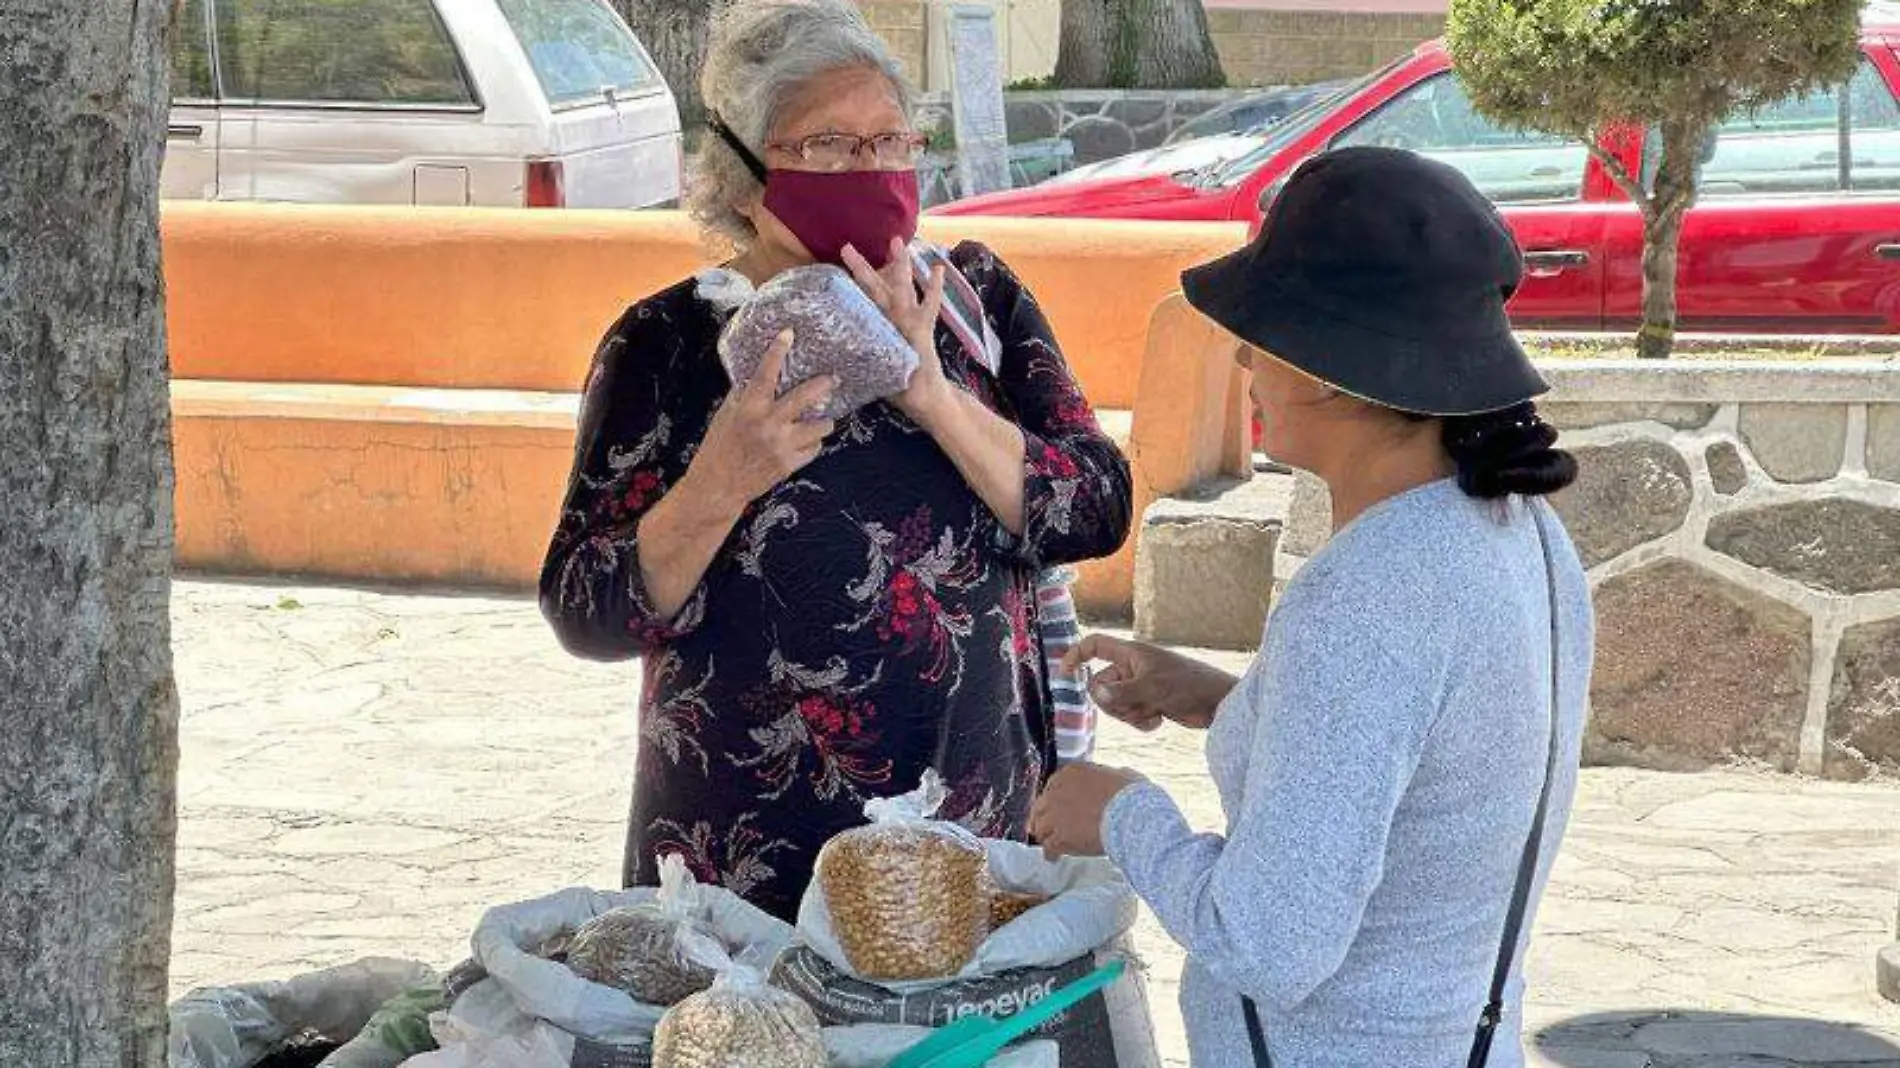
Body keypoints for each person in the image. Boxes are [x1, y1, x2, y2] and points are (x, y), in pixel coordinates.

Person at [539, 0, 1132, 922]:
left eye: (890, 140)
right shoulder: (667, 344)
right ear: (742, 178)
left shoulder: (976, 304)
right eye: (826, 145)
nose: (869, 168)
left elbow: (1095, 508)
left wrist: (931, 391)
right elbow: (584, 610)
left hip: (969, 844)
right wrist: (723, 475)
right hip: (741, 866)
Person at [1029, 147, 1596, 1068]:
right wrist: (1224, 696)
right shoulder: (1517, 528)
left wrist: (1125, 813)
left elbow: (1271, 942)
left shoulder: (1368, 600)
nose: (1246, 358)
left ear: (1328, 369)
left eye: (1263, 330)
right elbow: (1421, 758)